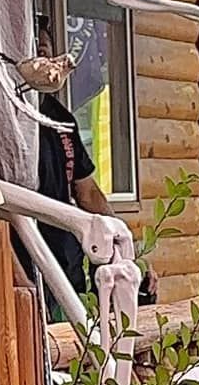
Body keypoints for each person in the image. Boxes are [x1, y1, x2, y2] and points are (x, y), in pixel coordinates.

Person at [24, 16, 155, 304]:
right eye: (34, 47)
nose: (43, 54)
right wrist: (20, 283)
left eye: (46, 48)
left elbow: (88, 192)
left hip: (65, 266)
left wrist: (127, 251)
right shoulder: (7, 118)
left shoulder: (60, 118)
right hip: (23, 265)